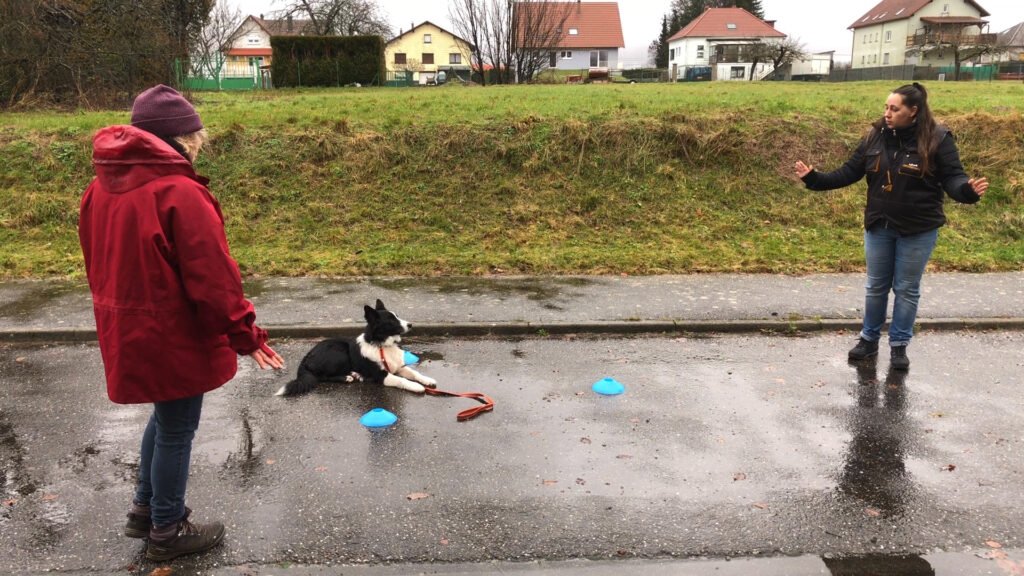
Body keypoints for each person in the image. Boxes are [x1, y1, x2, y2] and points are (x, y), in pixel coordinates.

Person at [78, 84, 285, 561]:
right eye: (196, 135)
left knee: (165, 416)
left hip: (129, 325)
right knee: (177, 427)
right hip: (173, 330)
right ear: (180, 138)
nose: (200, 143)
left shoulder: (99, 187)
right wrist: (245, 335)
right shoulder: (179, 192)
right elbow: (213, 279)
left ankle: (144, 509)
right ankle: (167, 531)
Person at [794, 82, 987, 370]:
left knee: (907, 289)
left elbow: (953, 178)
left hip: (918, 228)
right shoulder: (875, 136)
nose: (887, 113)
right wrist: (814, 178)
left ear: (913, 111)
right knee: (875, 287)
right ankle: (868, 341)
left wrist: (968, 192)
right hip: (879, 224)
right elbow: (849, 172)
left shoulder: (938, 138)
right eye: (886, 107)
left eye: (894, 109)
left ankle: (899, 346)